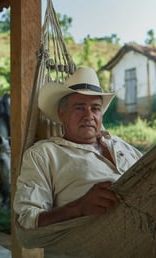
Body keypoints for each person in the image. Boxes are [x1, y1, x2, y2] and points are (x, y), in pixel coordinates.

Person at [13, 67, 142, 229]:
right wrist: (79, 208)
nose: (88, 116)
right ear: (62, 114)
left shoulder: (120, 144)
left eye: (95, 108)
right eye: (79, 107)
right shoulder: (44, 155)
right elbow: (27, 219)